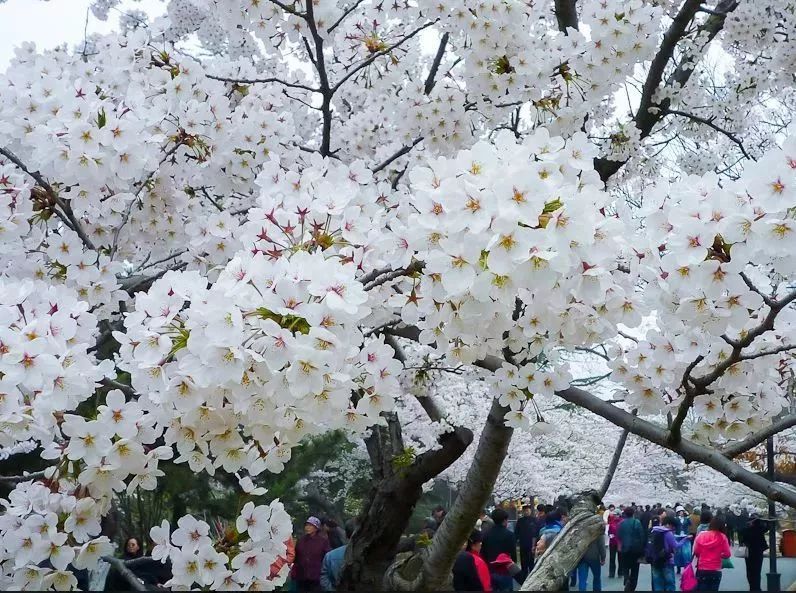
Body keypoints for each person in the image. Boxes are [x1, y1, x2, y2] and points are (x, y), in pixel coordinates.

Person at [647, 516, 688, 592]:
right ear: (669, 524)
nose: (673, 529)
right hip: (666, 560)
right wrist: (685, 539)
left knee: (657, 583)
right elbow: (676, 546)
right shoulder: (668, 533)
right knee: (670, 583)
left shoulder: (654, 530)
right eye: (673, 526)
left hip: (654, 559)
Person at [692, 517, 731, 591]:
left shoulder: (701, 535)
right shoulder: (723, 537)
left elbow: (696, 551)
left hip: (702, 568)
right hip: (716, 569)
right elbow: (727, 554)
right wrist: (719, 555)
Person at [293, 516, 331, 591]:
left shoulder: (323, 541)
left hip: (316, 576)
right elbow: (296, 556)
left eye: (310, 525)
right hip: (302, 576)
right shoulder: (301, 540)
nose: (307, 527)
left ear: (316, 528)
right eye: (306, 525)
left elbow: (327, 557)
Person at [320, 520, 356, 591]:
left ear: (346, 535)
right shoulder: (372, 556)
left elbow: (324, 577)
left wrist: (331, 590)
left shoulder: (330, 556)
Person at [617, 507, 645, 592]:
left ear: (625, 514)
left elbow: (619, 536)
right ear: (633, 513)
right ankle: (632, 586)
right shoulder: (637, 522)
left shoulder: (621, 523)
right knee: (635, 569)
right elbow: (641, 536)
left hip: (625, 548)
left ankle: (626, 578)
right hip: (635, 549)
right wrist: (643, 549)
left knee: (625, 566)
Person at [741, 513, 768, 591]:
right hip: (757, 551)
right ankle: (756, 588)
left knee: (749, 570)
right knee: (757, 571)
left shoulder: (746, 528)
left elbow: (742, 535)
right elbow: (767, 527)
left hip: (748, 551)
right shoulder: (759, 528)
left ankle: (752, 587)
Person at [515, 501, 538, 581]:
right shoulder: (520, 521)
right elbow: (516, 532)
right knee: (523, 562)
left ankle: (532, 578)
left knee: (531, 562)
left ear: (530, 511)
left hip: (531, 544)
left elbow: (536, 533)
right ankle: (524, 578)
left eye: (528, 510)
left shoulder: (534, 520)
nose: (526, 512)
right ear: (523, 512)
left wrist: (534, 545)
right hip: (523, 544)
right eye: (525, 511)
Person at [607, 509, 622, 579]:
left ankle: (620, 572)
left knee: (620, 559)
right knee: (612, 558)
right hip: (612, 543)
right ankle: (611, 573)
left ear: (619, 515)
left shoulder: (622, 522)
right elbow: (609, 531)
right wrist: (610, 535)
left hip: (620, 543)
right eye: (614, 514)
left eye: (616, 514)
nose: (614, 516)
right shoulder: (611, 522)